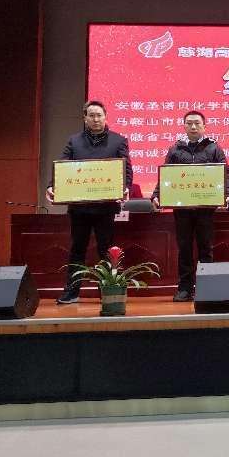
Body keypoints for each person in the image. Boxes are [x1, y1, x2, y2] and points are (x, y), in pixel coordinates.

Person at [46, 100, 132, 305]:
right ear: (85, 118)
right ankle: (72, 291)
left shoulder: (118, 141)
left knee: (107, 250)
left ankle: (109, 291)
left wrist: (125, 187)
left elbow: (126, 170)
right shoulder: (74, 141)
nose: (95, 119)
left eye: (99, 115)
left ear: (106, 117)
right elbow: (63, 167)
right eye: (91, 115)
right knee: (77, 249)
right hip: (80, 208)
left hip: (105, 207)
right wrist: (52, 185)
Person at [152, 111, 229, 302]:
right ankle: (184, 288)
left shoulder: (214, 148)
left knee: (206, 248)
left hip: (206, 208)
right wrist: (157, 195)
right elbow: (166, 176)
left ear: (204, 126)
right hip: (183, 209)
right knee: (184, 248)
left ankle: (207, 288)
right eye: (189, 123)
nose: (193, 127)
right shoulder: (175, 149)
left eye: (197, 123)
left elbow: (225, 174)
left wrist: (226, 194)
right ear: (184, 126)